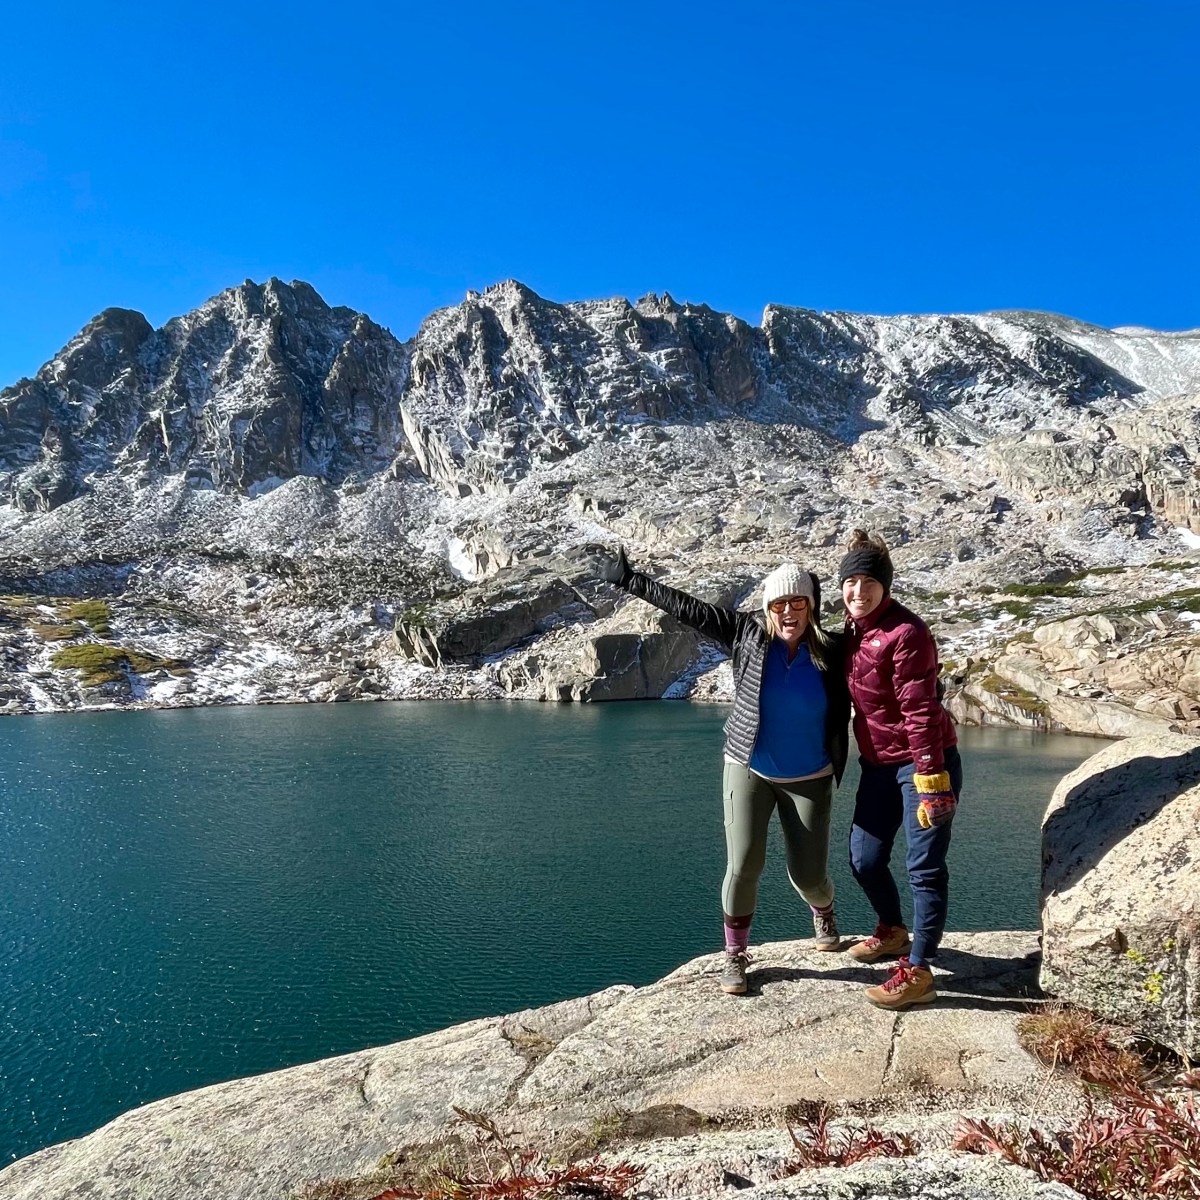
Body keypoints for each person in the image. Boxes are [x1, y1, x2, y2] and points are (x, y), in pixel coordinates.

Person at [595, 547, 850, 995]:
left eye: (797, 603)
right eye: (778, 604)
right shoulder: (747, 635)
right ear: (767, 608)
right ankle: (735, 956)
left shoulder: (832, 649)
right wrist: (631, 580)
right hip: (748, 766)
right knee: (743, 864)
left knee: (807, 876)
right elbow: (687, 608)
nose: (787, 612)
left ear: (811, 604)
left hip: (810, 774)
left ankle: (823, 910)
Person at [838, 529, 962, 1010]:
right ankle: (892, 931)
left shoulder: (906, 633)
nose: (858, 592)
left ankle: (920, 971)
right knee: (863, 859)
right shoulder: (852, 633)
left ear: (885, 586)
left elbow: (921, 712)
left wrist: (933, 782)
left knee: (924, 868)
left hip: (923, 765)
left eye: (868, 583)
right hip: (878, 766)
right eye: (851, 583)